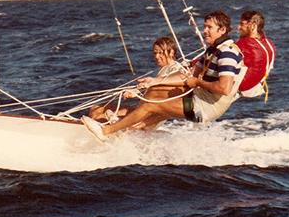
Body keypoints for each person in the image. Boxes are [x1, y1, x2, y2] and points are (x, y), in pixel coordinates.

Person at [82, 10, 243, 141]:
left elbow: (224, 88)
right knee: (153, 92)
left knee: (152, 104)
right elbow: (186, 76)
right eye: (205, 27)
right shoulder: (212, 50)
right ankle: (123, 128)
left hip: (205, 108)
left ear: (222, 30)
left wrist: (198, 83)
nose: (204, 31)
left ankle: (107, 131)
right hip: (200, 99)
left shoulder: (227, 52)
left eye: (209, 27)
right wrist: (154, 81)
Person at [87, 36, 186, 123]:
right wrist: (137, 91)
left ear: (172, 52)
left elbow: (166, 93)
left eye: (160, 52)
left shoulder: (176, 69)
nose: (156, 56)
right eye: (155, 53)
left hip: (148, 114)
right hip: (141, 109)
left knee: (99, 116)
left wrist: (136, 93)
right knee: (95, 108)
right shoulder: (164, 69)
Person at [235, 10, 276, 99]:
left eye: (242, 24)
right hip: (257, 86)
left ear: (253, 26)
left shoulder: (245, 43)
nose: (238, 27)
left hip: (243, 88)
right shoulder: (269, 43)